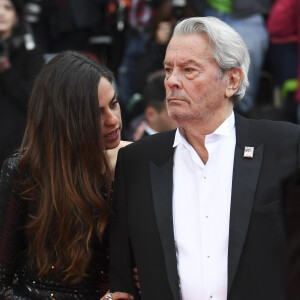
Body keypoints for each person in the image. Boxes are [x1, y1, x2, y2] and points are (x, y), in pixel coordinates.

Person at [109, 17, 300, 300]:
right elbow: (122, 275)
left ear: (232, 80)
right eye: (168, 69)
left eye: (188, 70)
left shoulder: (287, 146)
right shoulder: (137, 161)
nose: (172, 81)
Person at [0, 51, 132, 300]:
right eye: (97, 112)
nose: (113, 120)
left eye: (113, 104)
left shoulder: (131, 165)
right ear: (66, 119)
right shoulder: (23, 171)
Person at [0, 0, 44, 169]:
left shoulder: (30, 52)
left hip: (17, 147)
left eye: (7, 8)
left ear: (17, 15)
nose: (1, 13)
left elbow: (34, 100)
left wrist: (7, 72)